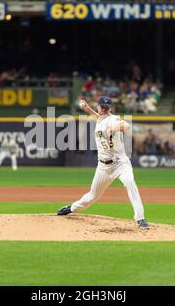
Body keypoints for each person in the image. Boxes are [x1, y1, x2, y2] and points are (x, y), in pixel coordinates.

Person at [57, 96, 149, 229]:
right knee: (92, 196)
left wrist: (115, 128)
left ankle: (140, 217)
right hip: (103, 167)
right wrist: (86, 107)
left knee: (129, 182)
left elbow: (126, 125)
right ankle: (71, 208)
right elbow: (97, 116)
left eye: (106, 108)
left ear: (109, 109)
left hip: (120, 163)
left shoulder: (113, 119)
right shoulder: (100, 117)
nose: (104, 109)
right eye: (102, 107)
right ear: (99, 107)